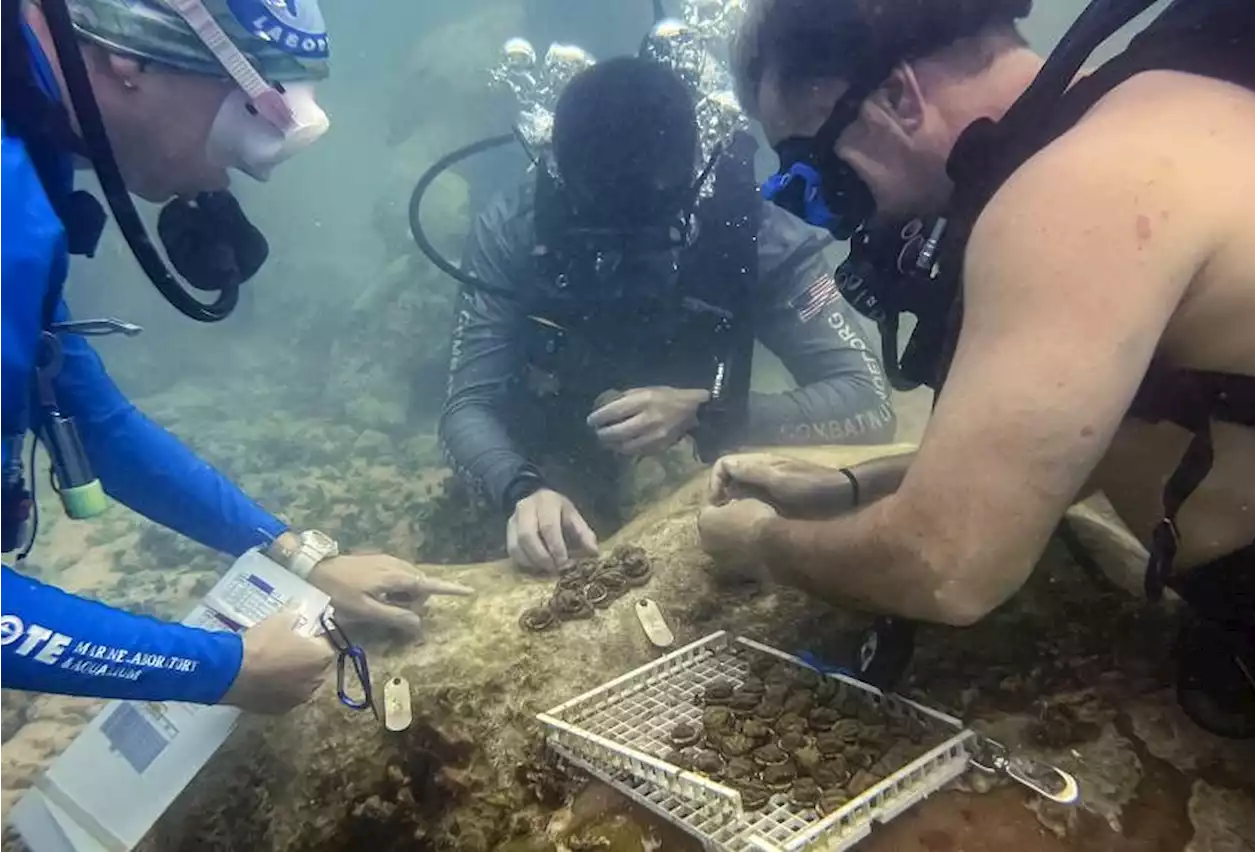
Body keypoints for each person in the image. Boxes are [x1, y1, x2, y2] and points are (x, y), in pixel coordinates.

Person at [699, 0, 1255, 736]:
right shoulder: (1150, 114)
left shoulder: (1075, 193)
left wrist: (759, 543)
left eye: (814, 174)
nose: (837, 219)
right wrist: (841, 488)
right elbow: (1066, 448)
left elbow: (948, 564)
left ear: (898, 98)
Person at [0, 0, 471, 714]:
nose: (248, 176)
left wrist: (302, 556)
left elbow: (90, 417)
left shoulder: (26, 175)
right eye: (250, 120)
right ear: (128, 62)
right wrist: (218, 668)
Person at [439, 56, 896, 575]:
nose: (627, 253)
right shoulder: (517, 230)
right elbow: (466, 405)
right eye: (601, 226)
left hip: (707, 456)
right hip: (553, 443)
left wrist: (709, 412)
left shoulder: (756, 234)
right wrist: (520, 489)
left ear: (696, 172)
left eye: (651, 225)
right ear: (557, 172)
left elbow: (867, 400)